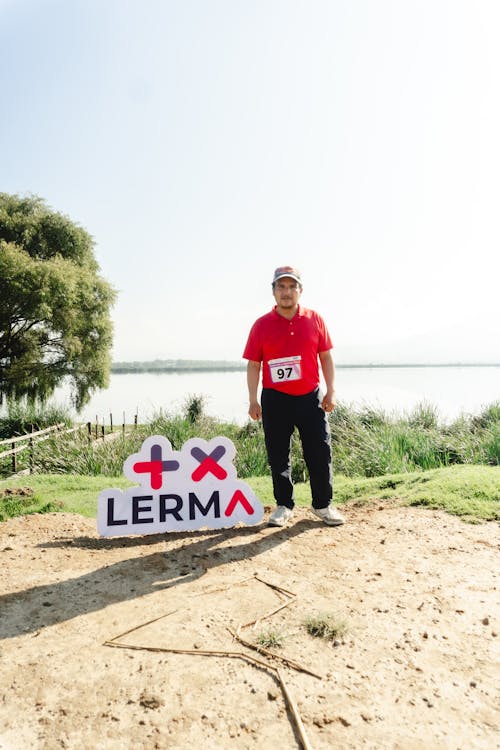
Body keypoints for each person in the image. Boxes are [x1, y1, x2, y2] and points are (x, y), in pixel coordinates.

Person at [243, 265, 345, 527]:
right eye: (281, 287)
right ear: (274, 291)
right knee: (278, 455)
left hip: (310, 397)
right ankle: (283, 506)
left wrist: (331, 390)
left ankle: (323, 506)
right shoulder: (261, 325)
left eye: (291, 287)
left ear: (300, 290)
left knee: (320, 451)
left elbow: (326, 357)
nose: (286, 292)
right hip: (275, 398)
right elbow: (254, 364)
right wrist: (253, 399)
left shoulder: (315, 319)